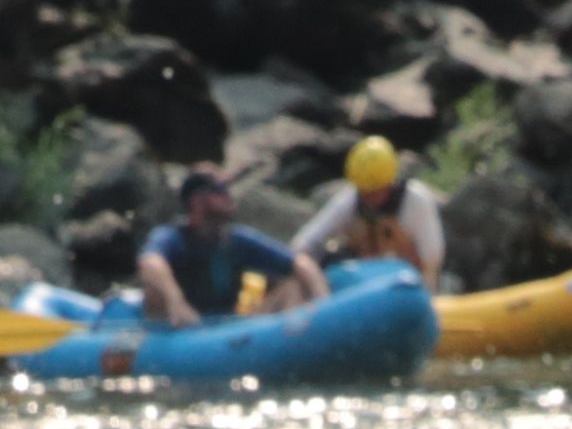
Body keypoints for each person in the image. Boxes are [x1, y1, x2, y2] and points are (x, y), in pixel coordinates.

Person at [137, 167, 321, 327]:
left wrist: (324, 303)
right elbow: (149, 262)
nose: (228, 196)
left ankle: (294, 342)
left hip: (228, 325)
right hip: (180, 327)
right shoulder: (173, 237)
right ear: (197, 201)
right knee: (154, 286)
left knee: (293, 285)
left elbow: (300, 263)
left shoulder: (237, 239)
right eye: (220, 190)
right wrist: (176, 302)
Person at [295, 135, 448, 287]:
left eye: (374, 191)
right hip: (364, 284)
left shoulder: (416, 201)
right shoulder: (352, 199)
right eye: (363, 191)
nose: (368, 198)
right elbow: (310, 239)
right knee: (332, 257)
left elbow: (432, 258)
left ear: (388, 183)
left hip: (407, 286)